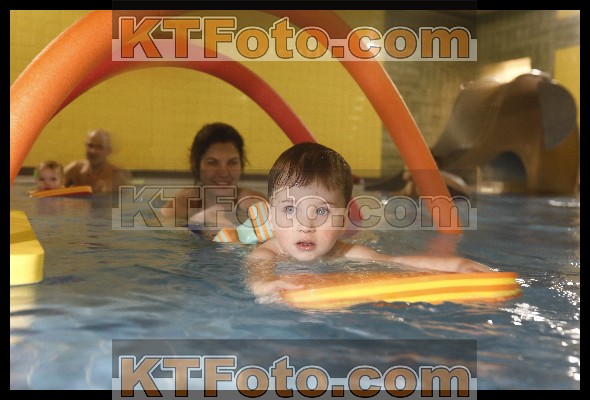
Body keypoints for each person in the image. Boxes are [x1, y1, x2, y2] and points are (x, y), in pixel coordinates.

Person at [245, 142, 493, 302]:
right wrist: (264, 285)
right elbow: (258, 273)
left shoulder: (345, 252)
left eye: (321, 211)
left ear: (344, 220)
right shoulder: (267, 253)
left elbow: (397, 262)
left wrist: (458, 265)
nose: (305, 225)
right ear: (272, 217)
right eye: (290, 209)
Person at [159, 122, 266, 235]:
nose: (224, 173)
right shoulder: (184, 203)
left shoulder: (253, 203)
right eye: (212, 163)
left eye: (232, 162)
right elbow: (160, 233)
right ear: (195, 164)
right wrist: (194, 229)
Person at [64, 129, 131, 193]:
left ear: (108, 151)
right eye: (90, 145)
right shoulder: (74, 170)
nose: (93, 151)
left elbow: (127, 199)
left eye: (99, 147)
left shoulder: (117, 177)